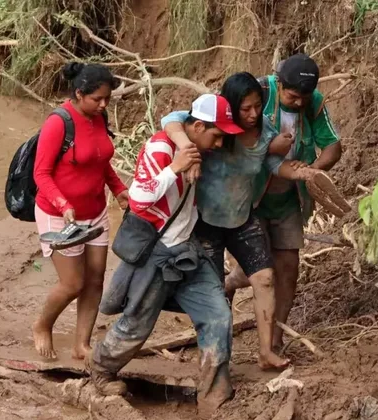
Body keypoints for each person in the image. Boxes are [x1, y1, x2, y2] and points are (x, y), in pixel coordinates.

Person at [160, 72, 328, 369]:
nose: (252, 114)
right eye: (245, 109)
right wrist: (186, 148)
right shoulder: (214, 125)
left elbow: (275, 164)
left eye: (257, 107)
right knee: (213, 295)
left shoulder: (265, 132)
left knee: (265, 279)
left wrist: (303, 172)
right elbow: (172, 119)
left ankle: (266, 353)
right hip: (206, 222)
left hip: (241, 218)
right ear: (231, 106)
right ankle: (215, 359)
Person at [91, 93, 240, 416]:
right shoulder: (162, 148)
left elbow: (174, 115)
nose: (218, 145)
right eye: (216, 136)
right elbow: (139, 198)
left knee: (218, 316)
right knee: (137, 325)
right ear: (198, 126)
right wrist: (175, 168)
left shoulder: (194, 145)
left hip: (187, 249)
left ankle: (214, 394)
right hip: (158, 253)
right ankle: (101, 371)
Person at [225, 54, 343, 350]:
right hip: (250, 198)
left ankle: (274, 342)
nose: (300, 102)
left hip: (289, 198)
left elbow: (333, 146)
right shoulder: (258, 94)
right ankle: (228, 285)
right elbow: (227, 136)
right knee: (256, 270)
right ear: (280, 83)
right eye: (293, 96)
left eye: (305, 97)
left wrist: (313, 172)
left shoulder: (313, 101)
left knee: (288, 269)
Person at [32, 62, 129, 360]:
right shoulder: (58, 122)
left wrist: (119, 189)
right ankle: (42, 326)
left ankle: (81, 344)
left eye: (107, 99)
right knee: (73, 283)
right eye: (97, 99)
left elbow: (101, 162)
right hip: (59, 215)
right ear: (78, 94)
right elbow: (41, 174)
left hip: (95, 212)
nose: (103, 105)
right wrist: (63, 204)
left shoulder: (99, 117)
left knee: (96, 279)